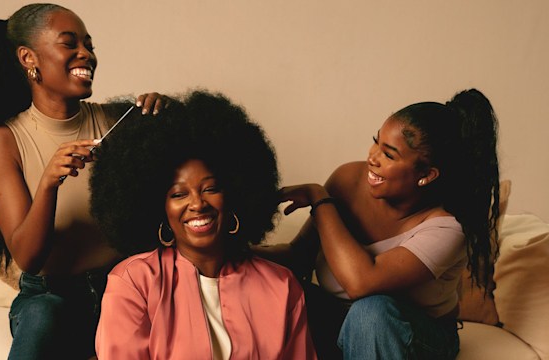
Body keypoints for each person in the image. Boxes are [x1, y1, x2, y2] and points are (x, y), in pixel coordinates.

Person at [0, 3, 168, 359]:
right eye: (69, 43)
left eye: (89, 45)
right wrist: (48, 183)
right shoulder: (2, 141)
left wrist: (164, 116)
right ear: (29, 58)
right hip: (51, 295)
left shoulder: (116, 122)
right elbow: (28, 256)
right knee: (42, 315)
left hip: (122, 286)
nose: (85, 54)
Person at [258, 89, 500, 359]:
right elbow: (298, 255)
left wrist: (320, 199)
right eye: (376, 142)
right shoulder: (348, 179)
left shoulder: (447, 228)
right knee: (274, 286)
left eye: (389, 154)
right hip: (338, 318)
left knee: (371, 312)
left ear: (426, 175)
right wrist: (235, 252)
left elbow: (361, 283)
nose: (372, 157)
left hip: (415, 334)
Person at [90, 91, 317, 359]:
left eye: (210, 188)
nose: (198, 204)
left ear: (233, 194)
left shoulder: (281, 286)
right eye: (179, 194)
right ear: (158, 208)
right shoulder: (134, 283)